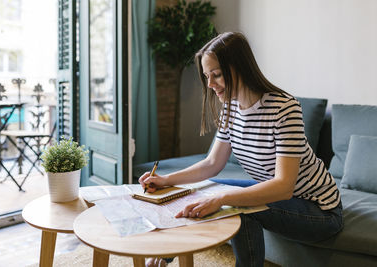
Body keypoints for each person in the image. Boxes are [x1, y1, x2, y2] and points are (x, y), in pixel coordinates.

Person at [139, 32, 343, 267]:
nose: (210, 84)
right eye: (207, 76)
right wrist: (165, 179)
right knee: (202, 190)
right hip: (278, 197)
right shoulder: (230, 108)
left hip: (319, 209)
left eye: (216, 75)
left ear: (239, 68)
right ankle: (165, 254)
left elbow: (284, 186)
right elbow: (211, 164)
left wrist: (224, 198)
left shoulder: (284, 108)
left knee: (235, 203)